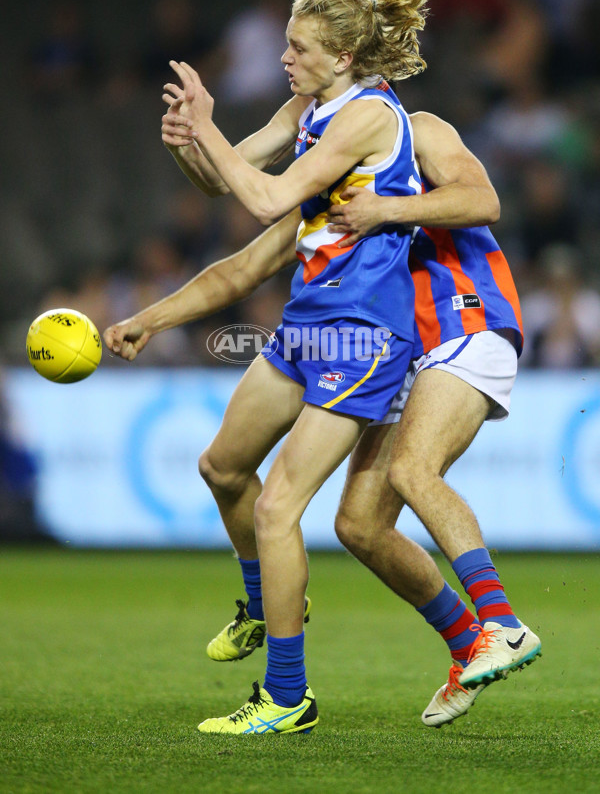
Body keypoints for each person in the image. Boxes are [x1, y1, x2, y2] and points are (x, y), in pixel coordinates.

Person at [106, 101, 541, 730]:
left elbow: (483, 200)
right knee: (359, 525)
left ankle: (500, 621)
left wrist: (388, 208)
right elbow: (245, 261)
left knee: (411, 472)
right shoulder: (331, 192)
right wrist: (150, 316)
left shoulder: (417, 130)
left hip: (464, 320)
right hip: (405, 349)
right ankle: (466, 641)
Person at [147, 0, 435, 735]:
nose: (285, 58)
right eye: (286, 45)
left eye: (299, 48)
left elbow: (270, 197)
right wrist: (188, 142)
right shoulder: (312, 100)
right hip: (308, 323)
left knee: (279, 506)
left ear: (342, 56)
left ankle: (286, 698)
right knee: (222, 467)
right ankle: (266, 598)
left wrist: (207, 127)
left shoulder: (368, 117)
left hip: (364, 335)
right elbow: (226, 179)